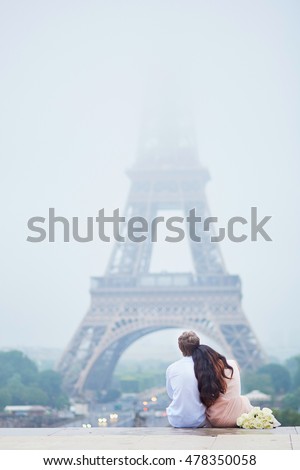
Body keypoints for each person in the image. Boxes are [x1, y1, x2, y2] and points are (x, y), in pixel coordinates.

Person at [192, 344, 253, 427]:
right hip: (238, 415)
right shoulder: (232, 363)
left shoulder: (205, 374)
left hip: (217, 419)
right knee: (243, 399)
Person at [166, 331, 206, 428]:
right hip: (199, 420)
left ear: (180, 348)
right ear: (198, 346)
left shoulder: (172, 368)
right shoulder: (204, 367)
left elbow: (171, 394)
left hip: (175, 420)